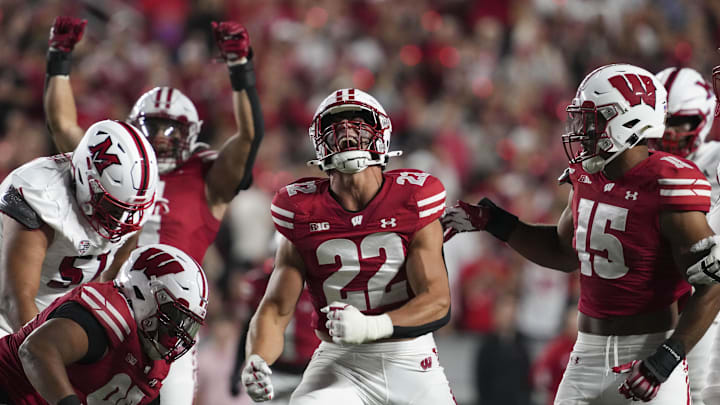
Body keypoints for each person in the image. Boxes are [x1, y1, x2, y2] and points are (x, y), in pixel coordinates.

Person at [442, 63, 720, 404]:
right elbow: (563, 250)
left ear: (630, 120)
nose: (583, 129)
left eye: (595, 118)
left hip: (647, 350)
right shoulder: (586, 176)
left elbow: (711, 284)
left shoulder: (669, 180)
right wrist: (494, 221)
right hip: (586, 352)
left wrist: (666, 359)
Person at [43, 16, 264, 405]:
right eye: (153, 127)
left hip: (170, 323)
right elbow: (62, 123)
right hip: (105, 303)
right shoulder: (114, 162)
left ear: (191, 134)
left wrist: (240, 68)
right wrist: (59, 59)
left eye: (171, 129)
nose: (160, 138)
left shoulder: (206, 177)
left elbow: (248, 137)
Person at [244, 88, 455, 404]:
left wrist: (371, 326)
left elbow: (437, 301)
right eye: (336, 125)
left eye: (357, 123)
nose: (345, 132)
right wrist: (257, 359)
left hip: (410, 358)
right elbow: (276, 307)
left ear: (381, 133)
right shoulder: (301, 210)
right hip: (342, 361)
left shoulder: (411, 199)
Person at [0, 119, 158, 338]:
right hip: (8, 313)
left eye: (127, 210)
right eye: (111, 206)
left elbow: (114, 275)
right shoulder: (40, 195)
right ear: (86, 178)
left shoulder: (132, 206)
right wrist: (46, 354)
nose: (120, 220)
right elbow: (15, 298)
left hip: (58, 314)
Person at [0, 243, 209, 405]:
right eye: (173, 314)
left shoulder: (154, 364)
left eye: (186, 322)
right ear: (143, 293)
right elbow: (35, 351)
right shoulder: (108, 317)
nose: (176, 329)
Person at [649, 66, 720, 405]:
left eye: (680, 121)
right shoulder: (639, 164)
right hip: (655, 301)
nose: (670, 131)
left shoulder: (715, 160)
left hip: (706, 298)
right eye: (663, 120)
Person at [229, 257, 320, 404]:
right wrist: (236, 370)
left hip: (311, 372)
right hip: (273, 372)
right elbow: (248, 330)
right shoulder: (260, 283)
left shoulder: (318, 287)